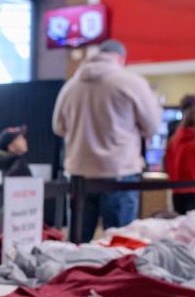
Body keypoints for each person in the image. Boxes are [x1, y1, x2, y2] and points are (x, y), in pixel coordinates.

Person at [52, 38, 162, 242]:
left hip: (79, 176)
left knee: (77, 246)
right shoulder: (132, 82)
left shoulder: (71, 86)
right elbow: (153, 126)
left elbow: (58, 127)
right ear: (121, 58)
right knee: (119, 246)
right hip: (119, 173)